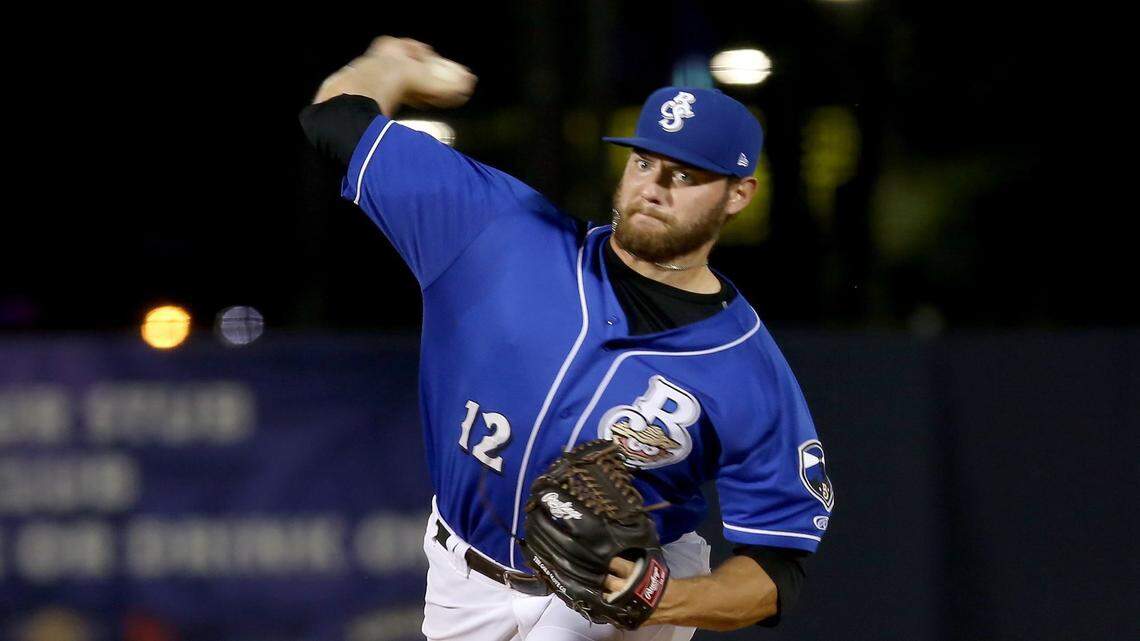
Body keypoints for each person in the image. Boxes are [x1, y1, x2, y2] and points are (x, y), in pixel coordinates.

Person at [300, 36, 834, 640]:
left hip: (615, 604)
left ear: (738, 193)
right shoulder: (495, 231)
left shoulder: (746, 366)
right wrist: (388, 67)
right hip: (460, 577)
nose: (653, 187)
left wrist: (666, 600)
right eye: (644, 161)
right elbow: (336, 119)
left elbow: (777, 569)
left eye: (685, 174)